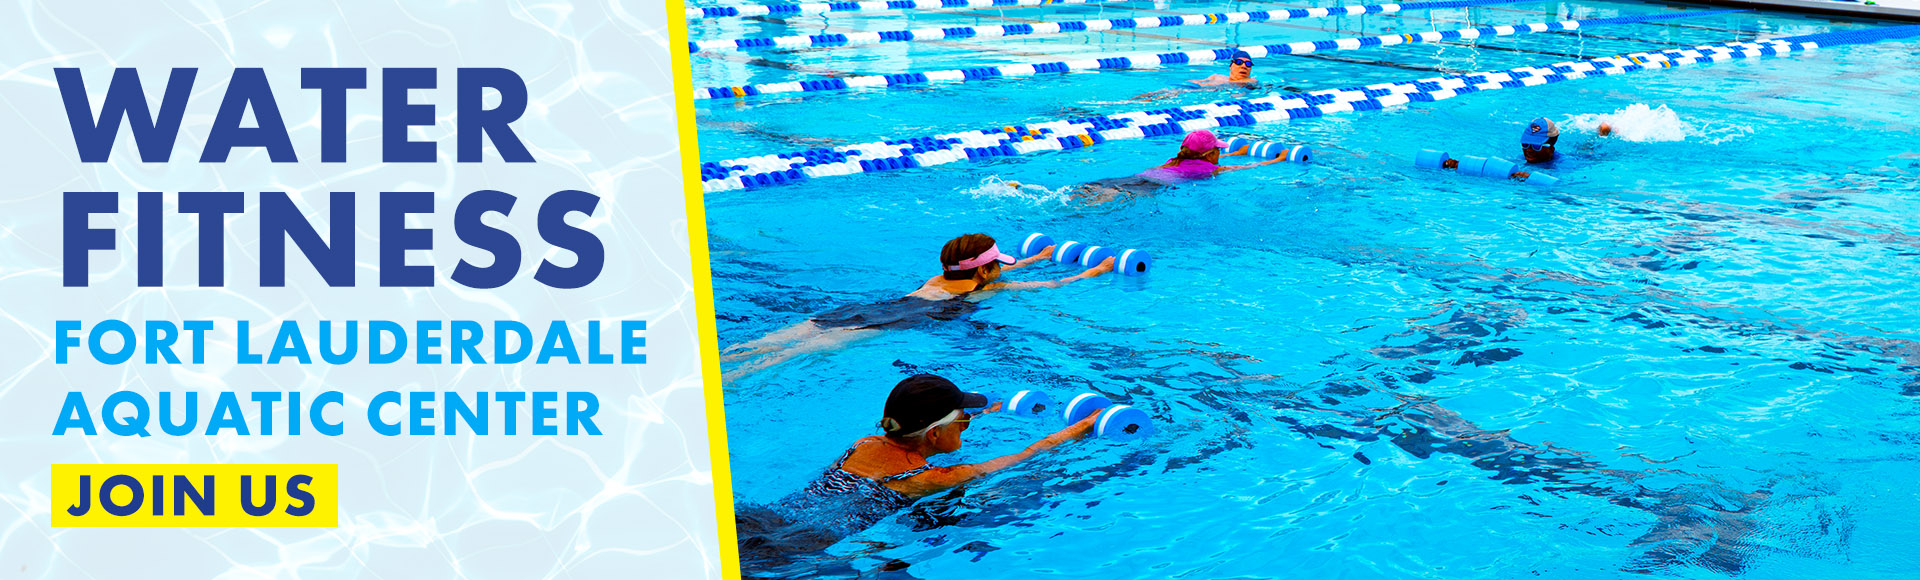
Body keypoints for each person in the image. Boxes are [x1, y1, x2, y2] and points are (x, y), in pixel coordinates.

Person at [720, 234, 1114, 377]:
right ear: (986, 272)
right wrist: (1096, 272)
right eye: (1000, 265)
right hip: (896, 322)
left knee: (782, 338)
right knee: (792, 356)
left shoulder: (937, 277)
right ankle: (732, 380)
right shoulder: (989, 290)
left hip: (869, 308)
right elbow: (1050, 286)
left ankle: (722, 360)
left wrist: (1037, 255)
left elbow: (988, 270)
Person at [784, 374, 1100, 535]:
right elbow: (1028, 454)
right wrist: (1084, 425)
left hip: (770, 518)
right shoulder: (930, 479)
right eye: (963, 420)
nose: (966, 425)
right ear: (933, 434)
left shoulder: (861, 444)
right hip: (802, 548)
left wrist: (989, 411)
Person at [1006, 130, 1289, 203]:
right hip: (1149, 189)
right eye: (1218, 150)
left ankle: (1028, 190)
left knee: (1083, 193)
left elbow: (1197, 162)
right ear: (1210, 154)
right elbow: (1241, 169)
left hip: (1134, 177)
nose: (1220, 155)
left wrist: (1233, 152)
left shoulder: (1174, 161)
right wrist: (1274, 161)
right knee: (1093, 205)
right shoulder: (1210, 170)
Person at [1130, 50, 1260, 102]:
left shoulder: (1250, 80)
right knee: (1160, 91)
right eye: (1239, 62)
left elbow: (1239, 94)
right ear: (1231, 65)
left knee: (1173, 94)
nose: (1244, 66)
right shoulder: (1217, 76)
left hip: (1202, 91)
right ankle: (1133, 99)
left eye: (1248, 64)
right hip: (1193, 86)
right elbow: (1201, 80)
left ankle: (1147, 101)